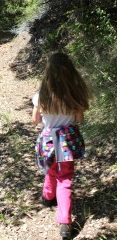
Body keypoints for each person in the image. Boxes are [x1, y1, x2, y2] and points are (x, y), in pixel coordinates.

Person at [32, 52, 91, 239]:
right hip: (67, 141)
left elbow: (35, 121)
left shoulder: (41, 96)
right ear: (70, 72)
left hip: (48, 140)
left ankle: (48, 197)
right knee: (64, 178)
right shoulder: (76, 95)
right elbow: (79, 120)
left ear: (48, 72)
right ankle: (65, 224)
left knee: (50, 168)